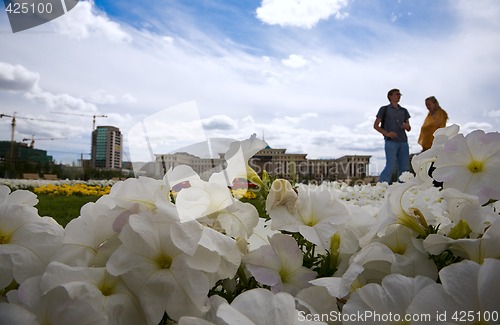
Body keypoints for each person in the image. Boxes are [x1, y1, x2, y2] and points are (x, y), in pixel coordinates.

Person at [373, 88, 411, 184]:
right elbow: (376, 125)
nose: (399, 96)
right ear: (390, 96)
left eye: (399, 94)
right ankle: (381, 187)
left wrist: (406, 126)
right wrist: (387, 134)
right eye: (397, 94)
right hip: (390, 142)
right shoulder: (384, 109)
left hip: (403, 141)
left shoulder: (404, 111)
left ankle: (402, 189)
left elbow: (409, 127)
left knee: (404, 168)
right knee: (390, 165)